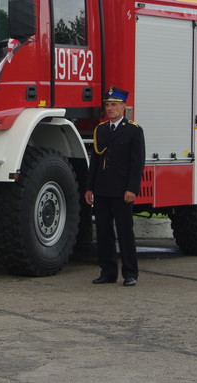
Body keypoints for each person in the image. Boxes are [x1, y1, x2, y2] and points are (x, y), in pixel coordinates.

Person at [85, 87, 145, 286]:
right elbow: (95, 161)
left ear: (123, 107)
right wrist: (89, 187)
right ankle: (108, 271)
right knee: (103, 232)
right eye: (107, 105)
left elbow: (137, 163)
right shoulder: (100, 130)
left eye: (114, 105)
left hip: (122, 190)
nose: (110, 109)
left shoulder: (133, 130)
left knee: (125, 231)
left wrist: (132, 189)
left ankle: (130, 273)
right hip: (102, 189)